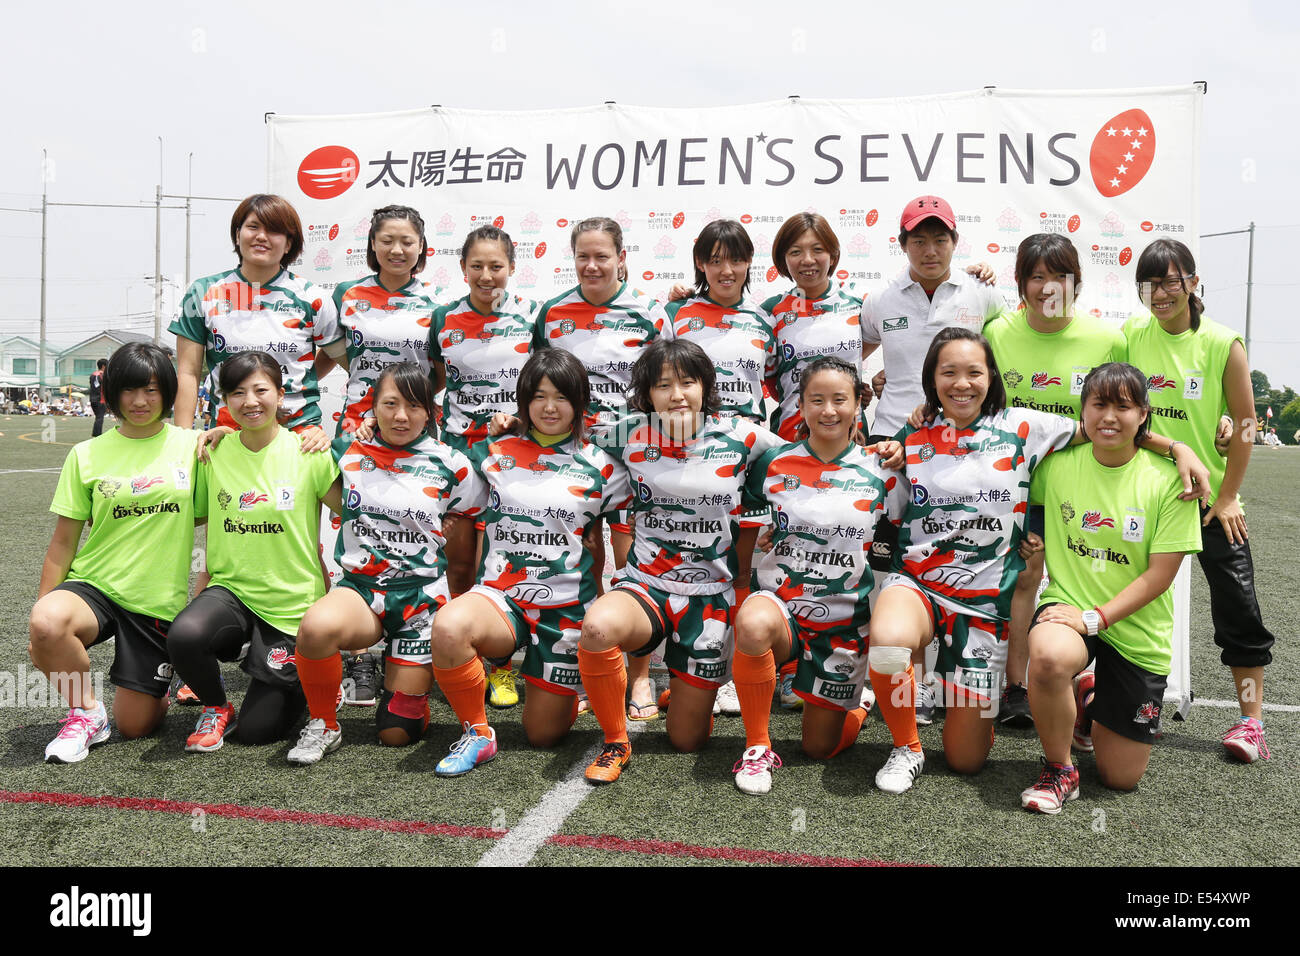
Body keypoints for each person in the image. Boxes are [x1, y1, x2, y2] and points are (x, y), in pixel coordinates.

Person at [866, 328, 1207, 794]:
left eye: (973, 372)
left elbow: (1106, 428)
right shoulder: (915, 431)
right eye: (948, 373)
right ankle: (907, 746)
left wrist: (1178, 448)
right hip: (919, 586)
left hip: (983, 608)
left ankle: (993, 714)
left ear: (991, 378)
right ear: (931, 379)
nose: (961, 383)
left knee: (967, 761)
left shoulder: (1026, 427)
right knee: (888, 644)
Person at [576, 338, 782, 784]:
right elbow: (565, 440)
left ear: (705, 386)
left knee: (687, 740)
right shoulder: (627, 432)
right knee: (596, 628)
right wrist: (512, 425)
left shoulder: (743, 435)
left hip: (710, 595)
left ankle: (687, 696)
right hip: (646, 584)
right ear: (646, 394)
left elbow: (800, 462)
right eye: (663, 385)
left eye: (687, 382)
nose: (676, 395)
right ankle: (615, 740)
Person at [426, 348, 630, 775]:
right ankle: (477, 734)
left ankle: (571, 689)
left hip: (567, 609)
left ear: (580, 401)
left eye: (561, 397)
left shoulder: (605, 466)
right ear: (523, 401)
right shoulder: (493, 452)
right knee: (448, 625)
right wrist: (366, 430)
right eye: (538, 396)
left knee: (542, 735)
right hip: (502, 601)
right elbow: (424, 463)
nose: (549, 407)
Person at [1021, 363, 1202, 812]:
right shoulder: (1055, 466)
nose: (1109, 416)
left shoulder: (1171, 481)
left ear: (1143, 414)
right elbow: (999, 483)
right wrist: (1025, 536)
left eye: (1123, 406)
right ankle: (1059, 769)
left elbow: (1161, 575)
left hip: (1135, 628)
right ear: (1081, 412)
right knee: (1046, 655)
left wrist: (1096, 618)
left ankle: (1090, 698)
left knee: (1121, 779)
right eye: (1099, 404)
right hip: (1069, 606)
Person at [286, 362, 486, 764]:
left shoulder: (452, 463)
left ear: (429, 411)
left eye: (414, 406)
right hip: (361, 591)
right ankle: (324, 722)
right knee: (315, 628)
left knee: (397, 733)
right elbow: (272, 447)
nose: (401, 416)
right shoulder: (347, 451)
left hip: (420, 601)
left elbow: (486, 511)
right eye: (390, 404)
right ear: (372, 407)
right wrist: (219, 433)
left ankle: (411, 681)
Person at [1122, 239, 1274, 762]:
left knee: (1237, 607)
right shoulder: (1129, 336)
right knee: (1135, 606)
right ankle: (1137, 710)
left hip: (1210, 500)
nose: (1159, 293)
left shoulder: (1223, 343)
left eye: (1168, 281)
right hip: (1145, 497)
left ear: (1191, 281)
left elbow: (1247, 422)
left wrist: (1229, 494)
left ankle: (1251, 722)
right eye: (1148, 284)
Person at [859, 196, 1006, 725]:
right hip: (888, 445)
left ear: (955, 242)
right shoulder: (879, 299)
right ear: (902, 245)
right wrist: (863, 387)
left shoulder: (982, 292)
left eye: (939, 238)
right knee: (885, 560)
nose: (929, 249)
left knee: (943, 552)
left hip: (954, 447)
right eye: (918, 239)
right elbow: (851, 347)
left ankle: (953, 679)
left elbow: (1003, 356)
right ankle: (899, 682)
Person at [731, 357, 907, 794]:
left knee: (818, 748)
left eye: (839, 400)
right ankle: (756, 748)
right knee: (752, 623)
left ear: (858, 405)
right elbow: (746, 524)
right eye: (816, 400)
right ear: (801, 406)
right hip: (781, 610)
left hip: (843, 622)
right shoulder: (771, 463)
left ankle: (859, 705)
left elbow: (921, 529)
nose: (828, 411)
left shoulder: (882, 469)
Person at [28, 344, 198, 761]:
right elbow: (64, 541)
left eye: (153, 390)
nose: (140, 401)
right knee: (48, 622)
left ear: (169, 391)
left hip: (155, 601)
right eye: (128, 390)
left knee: (135, 727)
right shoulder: (86, 454)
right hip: (96, 585)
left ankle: (156, 685)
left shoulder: (196, 448)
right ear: (112, 393)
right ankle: (86, 711)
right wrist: (41, 621)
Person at [982, 233, 1125, 726]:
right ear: (1020, 284)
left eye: (1059, 276)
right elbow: (979, 404)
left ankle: (1094, 686)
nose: (1047, 287)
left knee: (1096, 581)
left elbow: (1126, 414)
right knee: (1024, 581)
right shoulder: (996, 332)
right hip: (1018, 490)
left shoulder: (1107, 339)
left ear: (1077, 283)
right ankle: (1017, 689)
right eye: (1036, 276)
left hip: (1087, 489)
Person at [168, 351, 341, 751]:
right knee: (185, 635)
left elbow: (353, 512)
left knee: (258, 732)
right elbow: (184, 512)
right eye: (237, 392)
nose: (250, 401)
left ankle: (316, 684)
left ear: (281, 395)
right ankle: (215, 706)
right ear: (225, 401)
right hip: (232, 591)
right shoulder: (212, 452)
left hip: (291, 600)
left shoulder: (308, 452)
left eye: (261, 390)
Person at [534, 217, 670, 719]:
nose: (592, 266)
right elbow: (542, 385)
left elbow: (665, 386)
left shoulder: (650, 312)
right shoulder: (552, 312)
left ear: (622, 258)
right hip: (571, 456)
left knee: (632, 564)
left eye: (602, 256)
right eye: (582, 256)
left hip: (634, 457)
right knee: (583, 559)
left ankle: (638, 678)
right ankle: (592, 667)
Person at [667, 218, 779, 717]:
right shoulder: (675, 313)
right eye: (714, 259)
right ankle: (693, 667)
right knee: (695, 564)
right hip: (691, 458)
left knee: (742, 567)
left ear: (750, 263)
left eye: (735, 259)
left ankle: (739, 669)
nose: (725, 269)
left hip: (749, 456)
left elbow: (779, 381)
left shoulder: (764, 317)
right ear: (699, 263)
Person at [429, 224, 540, 706]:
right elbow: (428, 384)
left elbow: (546, 384)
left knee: (502, 563)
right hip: (458, 454)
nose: (487, 275)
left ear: (512, 268)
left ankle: (502, 667)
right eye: (477, 266)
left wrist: (519, 420)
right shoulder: (443, 319)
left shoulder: (534, 316)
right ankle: (458, 655)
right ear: (463, 269)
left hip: (513, 455)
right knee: (457, 562)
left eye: (496, 266)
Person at [171, 193, 343, 439]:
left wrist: (301, 381)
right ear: (238, 233)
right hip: (227, 434)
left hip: (299, 436)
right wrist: (183, 439)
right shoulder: (203, 293)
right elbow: (188, 372)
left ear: (289, 244)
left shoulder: (311, 297)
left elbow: (340, 355)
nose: (262, 236)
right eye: (253, 227)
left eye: (274, 230)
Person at [88, 358, 108, 437]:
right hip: (100, 399)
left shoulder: (92, 375)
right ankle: (97, 434)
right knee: (100, 417)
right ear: (103, 366)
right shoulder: (102, 375)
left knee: (98, 417)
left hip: (92, 399)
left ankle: (96, 433)